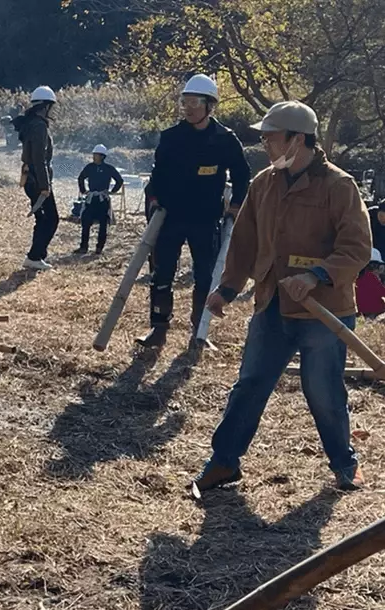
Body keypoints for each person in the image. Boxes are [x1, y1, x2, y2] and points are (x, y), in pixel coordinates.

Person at [196, 101, 371, 495]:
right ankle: (224, 462)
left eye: (271, 138)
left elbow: (357, 247)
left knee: (324, 392)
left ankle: (344, 464)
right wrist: (227, 288)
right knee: (251, 384)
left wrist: (317, 275)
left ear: (298, 140)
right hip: (272, 304)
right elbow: (244, 242)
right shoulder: (264, 183)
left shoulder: (338, 186)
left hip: (324, 312)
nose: (265, 145)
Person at [137, 74, 251, 348]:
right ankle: (159, 328)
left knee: (205, 276)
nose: (188, 107)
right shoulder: (171, 138)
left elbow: (242, 174)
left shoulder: (225, 140)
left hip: (206, 219)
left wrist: (236, 205)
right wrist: (153, 201)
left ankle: (199, 330)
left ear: (209, 106)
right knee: (162, 274)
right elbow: (156, 176)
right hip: (170, 217)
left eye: (195, 102)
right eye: (185, 102)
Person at [12, 86, 58, 270]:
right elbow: (39, 159)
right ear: (46, 106)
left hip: (30, 178)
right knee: (52, 219)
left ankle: (37, 256)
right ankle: (34, 256)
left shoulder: (31, 124)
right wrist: (45, 186)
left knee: (42, 219)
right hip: (37, 180)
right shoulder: (39, 126)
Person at [76, 144, 124, 254]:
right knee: (86, 221)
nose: (94, 156)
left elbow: (119, 180)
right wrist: (83, 190)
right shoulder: (89, 167)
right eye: (94, 154)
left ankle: (99, 248)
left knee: (103, 224)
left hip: (103, 200)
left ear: (102, 156)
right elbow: (81, 178)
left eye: (96, 154)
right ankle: (83, 247)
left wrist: (112, 191)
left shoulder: (109, 168)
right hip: (92, 198)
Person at [356, 248, 385, 318]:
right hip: (375, 311)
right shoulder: (371, 277)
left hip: (360, 312)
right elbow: (383, 292)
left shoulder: (355, 277)